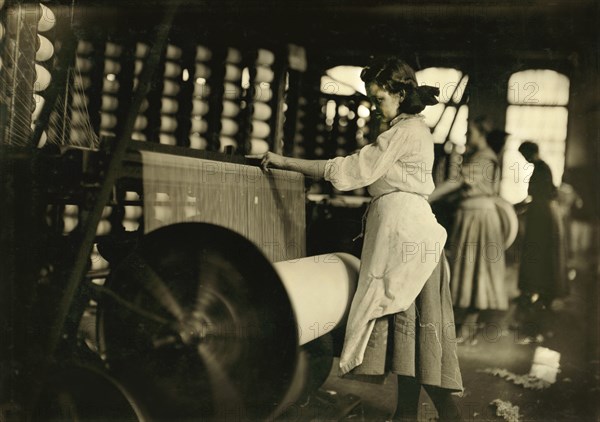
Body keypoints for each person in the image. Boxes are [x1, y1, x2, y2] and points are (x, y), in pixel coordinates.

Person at [248, 57, 463, 422]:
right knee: (408, 338)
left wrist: (285, 162)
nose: (375, 106)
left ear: (399, 93)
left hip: (406, 242)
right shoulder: (411, 128)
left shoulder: (404, 132)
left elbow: (347, 171)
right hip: (407, 237)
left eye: (379, 99)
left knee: (421, 340)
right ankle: (406, 413)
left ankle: (449, 417)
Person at [428, 116, 508, 344]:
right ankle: (467, 327)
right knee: (468, 271)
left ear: (481, 134)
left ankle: (469, 328)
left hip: (479, 219)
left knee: (476, 272)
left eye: (470, 133)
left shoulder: (484, 159)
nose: (466, 137)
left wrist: (427, 197)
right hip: (471, 216)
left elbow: (456, 183)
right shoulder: (479, 157)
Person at [517, 141, 568, 313]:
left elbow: (540, 194)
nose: (524, 159)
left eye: (525, 155)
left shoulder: (541, 168)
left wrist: (520, 206)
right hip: (540, 212)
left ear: (532, 153)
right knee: (536, 251)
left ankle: (541, 291)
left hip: (542, 215)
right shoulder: (540, 167)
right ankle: (535, 289)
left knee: (540, 251)